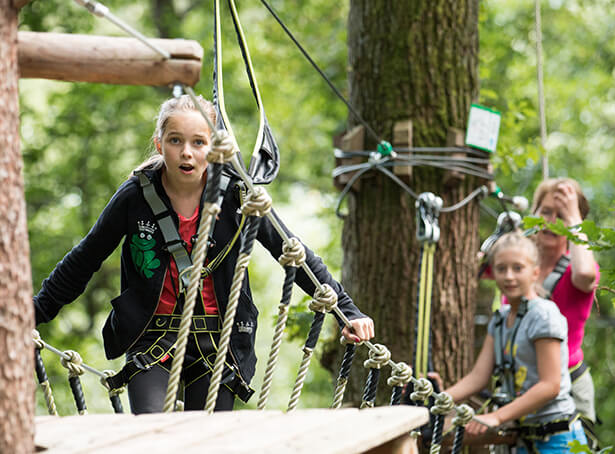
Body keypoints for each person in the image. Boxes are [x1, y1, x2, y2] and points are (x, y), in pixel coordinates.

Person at [33, 94, 374, 414]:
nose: (187, 153)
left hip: (219, 342)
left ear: (213, 149)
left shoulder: (238, 197)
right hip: (152, 337)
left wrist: (347, 311)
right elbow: (84, 259)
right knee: (152, 434)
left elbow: (293, 252)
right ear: (159, 144)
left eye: (199, 142)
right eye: (175, 141)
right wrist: (31, 314)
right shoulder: (135, 197)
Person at [437, 232, 587, 452]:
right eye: (501, 268)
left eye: (518, 268)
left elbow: (550, 385)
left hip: (558, 439)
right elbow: (478, 377)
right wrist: (438, 399)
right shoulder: (499, 320)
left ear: (535, 272)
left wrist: (496, 417)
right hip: (523, 439)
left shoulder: (543, 316)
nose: (508, 276)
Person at [531, 178, 599, 429]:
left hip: (567, 388)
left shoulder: (577, 268)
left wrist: (574, 218)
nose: (551, 221)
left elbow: (585, 275)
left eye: (561, 215)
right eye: (545, 212)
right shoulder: (519, 269)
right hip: (523, 386)